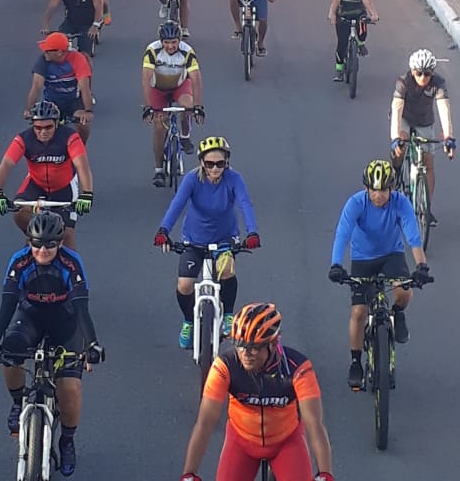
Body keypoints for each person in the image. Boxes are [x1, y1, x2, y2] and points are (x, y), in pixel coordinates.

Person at [0, 212, 104, 477]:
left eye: (49, 244)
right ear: (29, 242)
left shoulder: (71, 263)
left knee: (69, 387)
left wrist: (91, 345)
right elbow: (7, 304)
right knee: (9, 353)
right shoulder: (19, 261)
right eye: (36, 244)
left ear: (59, 243)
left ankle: (67, 441)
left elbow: (82, 309)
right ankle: (16, 402)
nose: (42, 250)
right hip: (30, 317)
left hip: (65, 321)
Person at [180, 303, 334, 481]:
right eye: (240, 345)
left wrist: (325, 473)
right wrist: (189, 473)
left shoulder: (297, 368)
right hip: (241, 442)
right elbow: (205, 422)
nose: (246, 353)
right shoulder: (226, 366)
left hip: (286, 442)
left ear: (273, 343)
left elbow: (314, 424)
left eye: (254, 347)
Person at [328, 160, 433, 389]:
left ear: (391, 189)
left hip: (391, 254)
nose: (378, 195)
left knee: (404, 292)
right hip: (363, 259)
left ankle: (397, 312)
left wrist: (421, 265)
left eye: (383, 190)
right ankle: (356, 362)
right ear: (367, 188)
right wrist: (336, 264)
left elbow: (412, 235)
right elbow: (342, 234)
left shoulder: (400, 203)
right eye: (374, 190)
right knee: (358, 312)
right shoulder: (355, 203)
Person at [154, 136, 260, 344]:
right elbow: (177, 204)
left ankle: (228, 315)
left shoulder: (234, 179)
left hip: (224, 238)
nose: (215, 169)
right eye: (210, 164)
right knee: (185, 285)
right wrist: (163, 230)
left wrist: (253, 232)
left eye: (220, 163)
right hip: (194, 240)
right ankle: (188, 322)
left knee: (227, 270)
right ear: (202, 162)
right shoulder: (192, 179)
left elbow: (245, 204)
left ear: (227, 162)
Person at [0, 100, 93, 248]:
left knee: (67, 236)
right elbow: (6, 164)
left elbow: (82, 165)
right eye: (38, 128)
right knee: (19, 214)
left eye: (48, 127)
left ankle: (75, 270)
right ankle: (37, 240)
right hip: (36, 184)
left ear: (57, 124)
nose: (43, 132)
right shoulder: (24, 139)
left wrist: (87, 193)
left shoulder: (70, 137)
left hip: (64, 187)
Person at [390, 48, 455, 218]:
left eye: (427, 74)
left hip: (425, 121)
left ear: (432, 73)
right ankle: (396, 170)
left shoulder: (438, 83)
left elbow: (444, 108)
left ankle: (426, 207)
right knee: (401, 145)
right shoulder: (403, 82)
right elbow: (396, 109)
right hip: (404, 118)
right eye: (419, 73)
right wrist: (395, 138)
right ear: (412, 71)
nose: (423, 78)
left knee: (428, 163)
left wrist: (449, 137)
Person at [142, 21, 204, 182]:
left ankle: (184, 136)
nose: (170, 46)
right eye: (166, 42)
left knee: (188, 106)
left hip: (179, 86)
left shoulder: (187, 52)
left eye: (174, 42)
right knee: (159, 127)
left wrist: (198, 106)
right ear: (161, 41)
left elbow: (196, 79)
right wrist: (148, 107)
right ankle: (159, 169)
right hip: (158, 89)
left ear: (180, 40)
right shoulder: (152, 50)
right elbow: (146, 79)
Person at [25, 32, 94, 143]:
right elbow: (37, 85)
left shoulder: (77, 59)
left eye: (47, 50)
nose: (44, 53)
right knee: (44, 129)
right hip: (52, 101)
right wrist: (29, 109)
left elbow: (84, 88)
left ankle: (80, 149)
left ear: (59, 52)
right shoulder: (42, 61)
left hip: (73, 100)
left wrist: (88, 111)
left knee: (83, 125)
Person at [328, 0, 379, 81]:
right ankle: (339, 70)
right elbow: (335, 1)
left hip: (358, 14)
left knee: (362, 32)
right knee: (342, 43)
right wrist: (332, 14)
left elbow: (367, 1)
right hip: (343, 15)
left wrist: (374, 14)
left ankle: (361, 44)